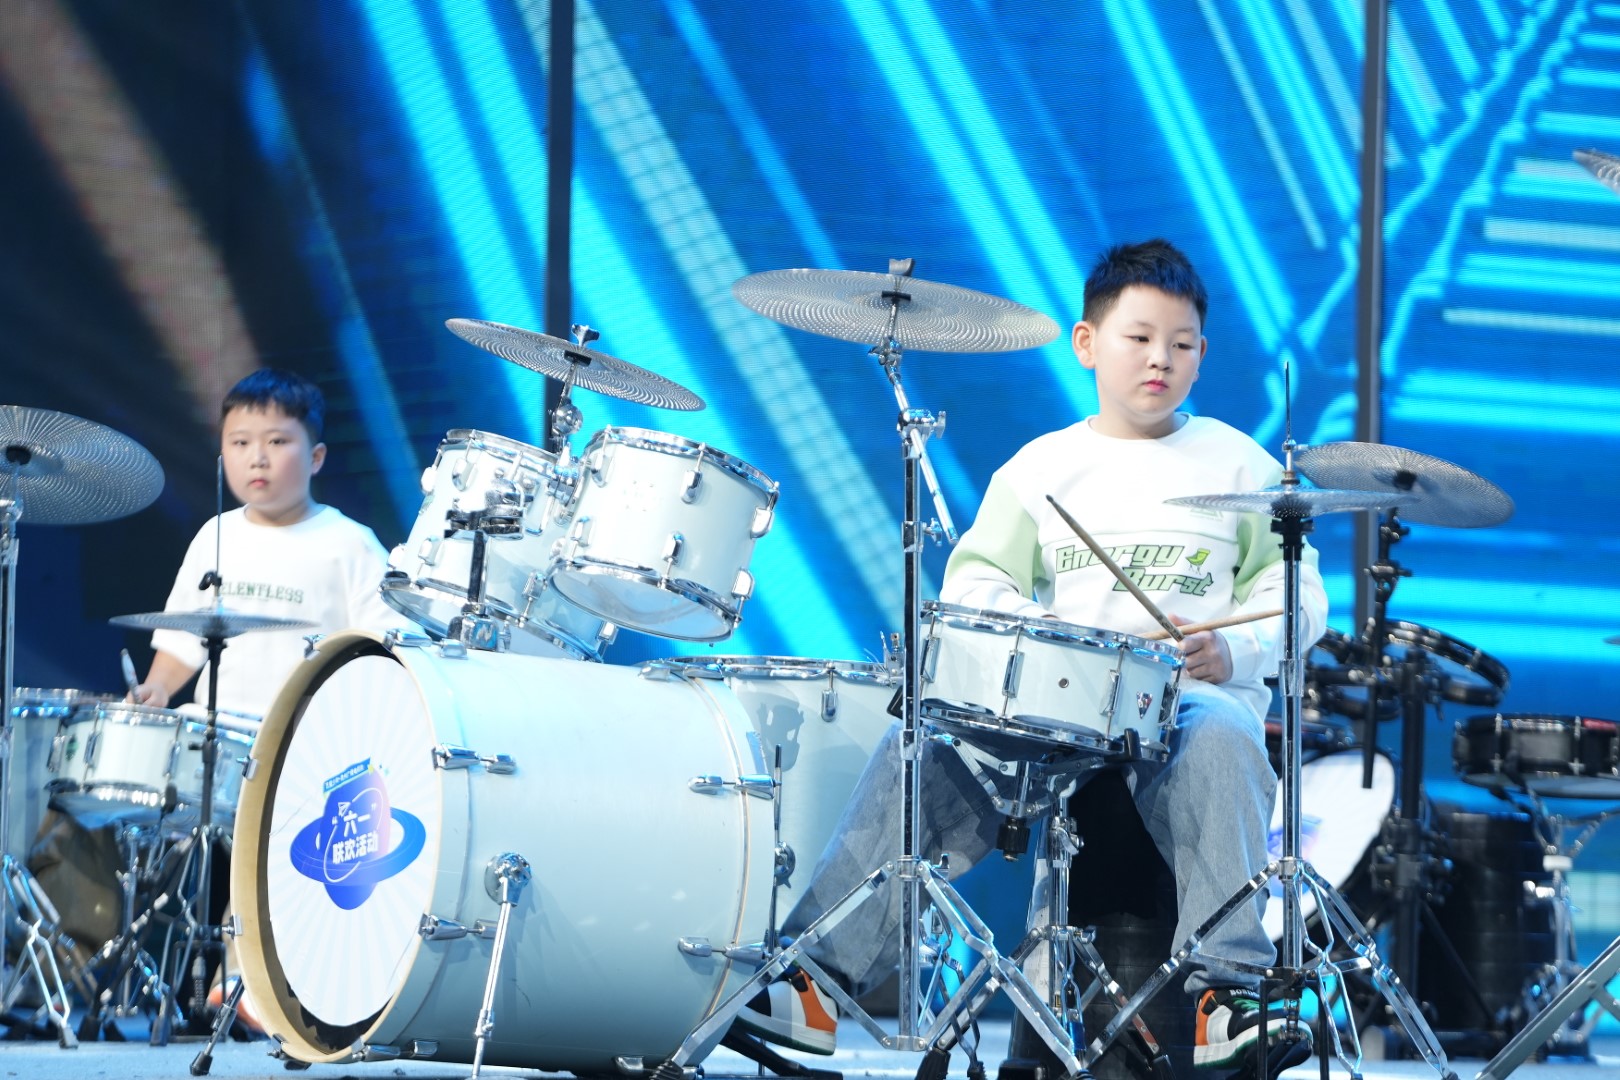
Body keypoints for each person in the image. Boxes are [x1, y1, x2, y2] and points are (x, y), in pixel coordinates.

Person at [736, 240, 1328, 1077]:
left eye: (1181, 343)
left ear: (1203, 352)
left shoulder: (1243, 466)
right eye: (1139, 338)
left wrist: (1232, 647)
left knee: (1225, 739)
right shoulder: (1042, 468)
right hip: (1063, 710)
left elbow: (1298, 597)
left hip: (1187, 701)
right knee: (927, 747)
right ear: (1087, 343)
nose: (1160, 359)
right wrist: (1045, 635)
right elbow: (976, 585)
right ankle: (815, 984)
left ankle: (1225, 997)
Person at [133, 368, 401, 717]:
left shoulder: (351, 544)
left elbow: (387, 650)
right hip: (215, 727)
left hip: (304, 734)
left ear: (316, 458)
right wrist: (157, 687)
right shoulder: (215, 535)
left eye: (276, 442)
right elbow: (182, 640)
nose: (257, 458)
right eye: (240, 443)